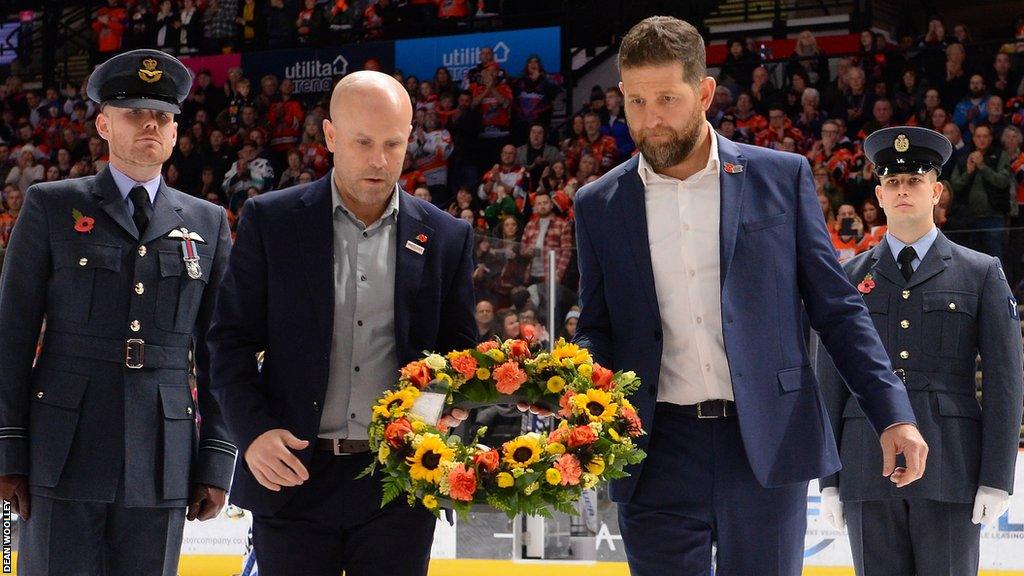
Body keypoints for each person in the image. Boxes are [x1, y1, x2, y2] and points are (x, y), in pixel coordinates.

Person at [572, 18, 925, 576]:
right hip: (651, 450)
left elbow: (837, 309)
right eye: (636, 101)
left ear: (705, 93)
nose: (650, 119)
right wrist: (576, 391)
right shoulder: (598, 203)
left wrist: (891, 413)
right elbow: (595, 325)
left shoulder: (780, 177)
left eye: (667, 98)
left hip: (766, 441)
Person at [206, 71, 477, 576]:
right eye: (363, 142)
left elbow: (459, 357)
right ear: (330, 136)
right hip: (291, 477)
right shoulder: (272, 220)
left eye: (393, 144)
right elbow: (229, 342)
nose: (379, 159)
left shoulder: (447, 236)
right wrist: (254, 432)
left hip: (399, 482)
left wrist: (444, 405)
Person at [0, 49, 234, 576]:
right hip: (61, 450)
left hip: (163, 458)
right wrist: (7, 450)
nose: (150, 123)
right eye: (134, 113)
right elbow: (11, 335)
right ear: (104, 124)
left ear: (175, 132)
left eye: (163, 115)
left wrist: (217, 458)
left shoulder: (209, 221)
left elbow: (220, 351)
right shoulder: (51, 205)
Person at [817, 126, 1024, 576]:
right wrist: (830, 480)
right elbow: (829, 380)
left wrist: (996, 478)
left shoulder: (980, 273)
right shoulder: (848, 277)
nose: (903, 190)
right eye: (893, 182)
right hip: (865, 461)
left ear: (937, 191)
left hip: (951, 465)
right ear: (880, 194)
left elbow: (1006, 383)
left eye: (914, 181)